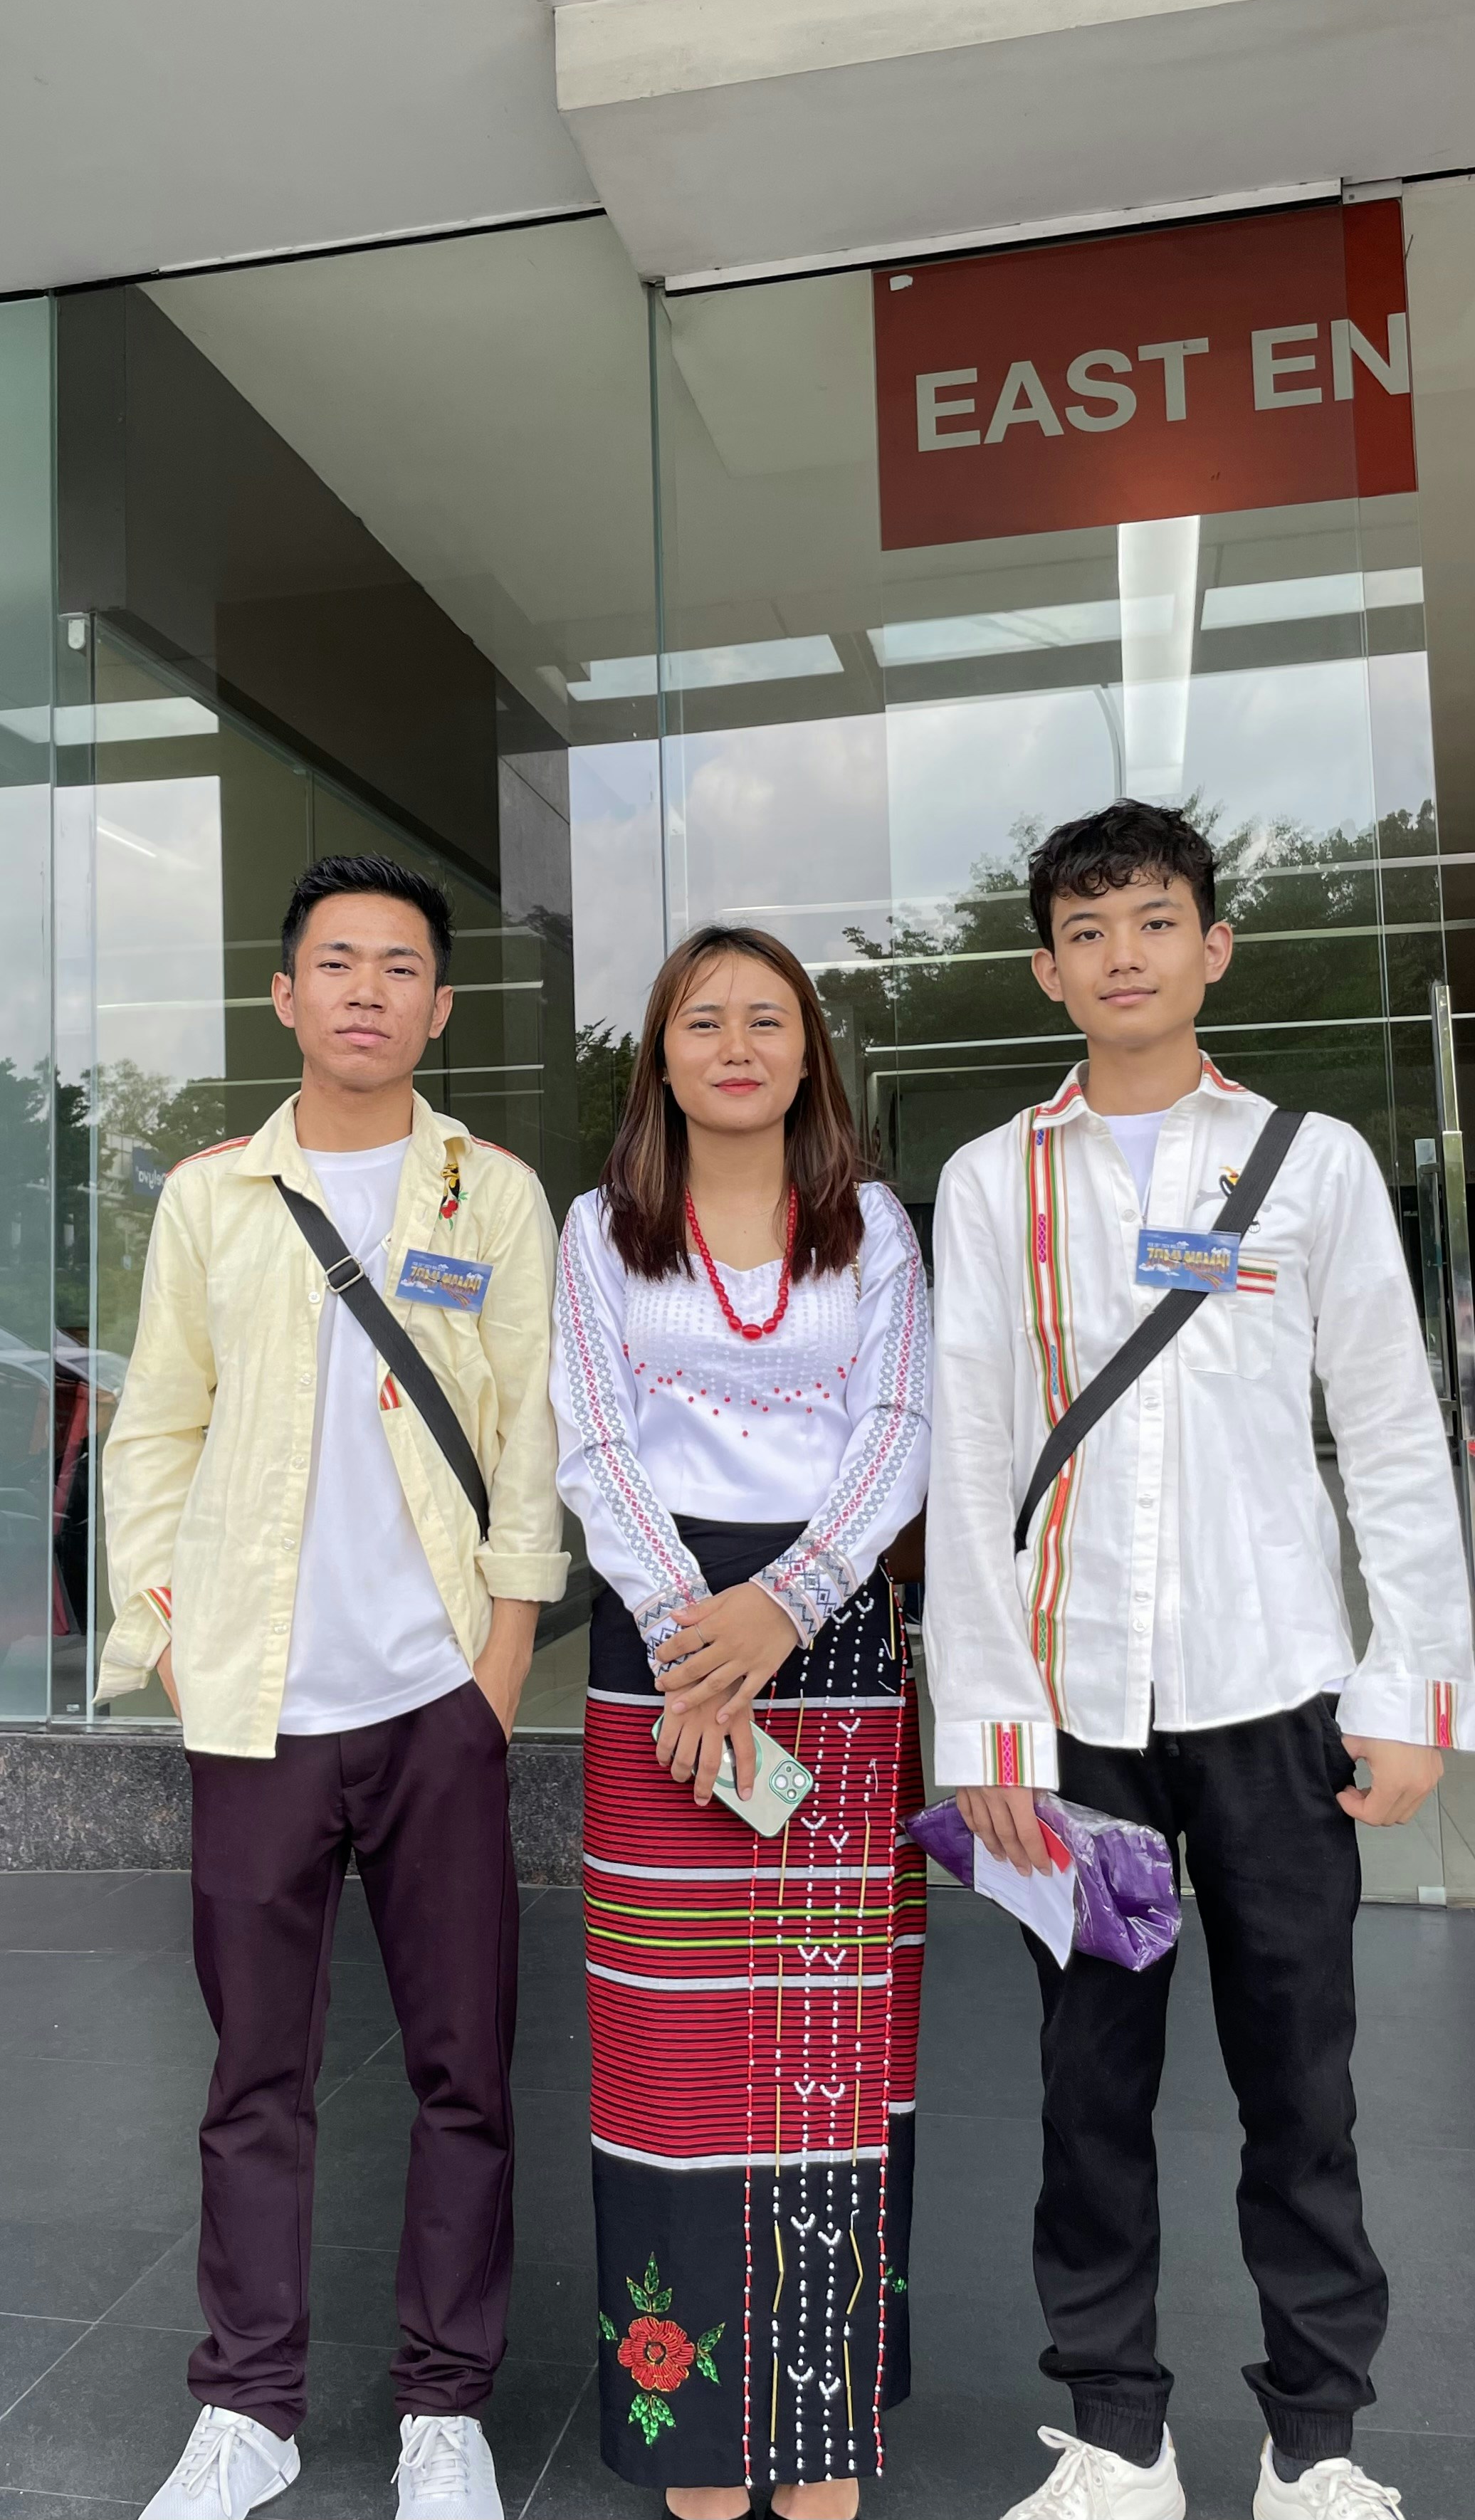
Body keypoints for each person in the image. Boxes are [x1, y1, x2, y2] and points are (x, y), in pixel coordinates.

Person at [923, 800, 1472, 2520]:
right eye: (1087, 932)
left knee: (1298, 2089)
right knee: (1088, 2091)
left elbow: (1389, 1434)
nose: (1123, 956)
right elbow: (965, 1456)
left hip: (1276, 1709)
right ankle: (1115, 2434)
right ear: (1046, 969)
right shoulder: (989, 1177)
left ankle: (1316, 2445)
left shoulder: (1309, 1165)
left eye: (1154, 920)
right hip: (1079, 1727)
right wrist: (988, 1722)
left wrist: (1410, 1691)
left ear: (1212, 945)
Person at [98, 854, 568, 2520]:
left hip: (437, 1700)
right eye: (335, 962)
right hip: (257, 1710)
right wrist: (165, 1631)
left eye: (399, 967)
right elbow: (155, 1421)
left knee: (463, 2068)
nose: (366, 989)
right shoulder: (214, 1194)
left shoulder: (491, 1192)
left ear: (438, 1007)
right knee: (255, 2074)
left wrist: (498, 1668)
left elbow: (529, 1437)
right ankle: (250, 2406)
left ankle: (445, 2404)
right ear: (286, 995)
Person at [551, 926, 930, 2520]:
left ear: (808, 1054)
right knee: (671, 2049)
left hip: (832, 1642)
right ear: (660, 1054)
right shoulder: (600, 1228)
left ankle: (821, 2425)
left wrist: (791, 1600)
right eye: (702, 1018)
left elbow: (897, 1420)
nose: (735, 1042)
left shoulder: (871, 1229)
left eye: (767, 1017)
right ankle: (693, 2428)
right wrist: (682, 1625)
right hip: (664, 1629)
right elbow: (590, 1429)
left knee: (838, 2053)